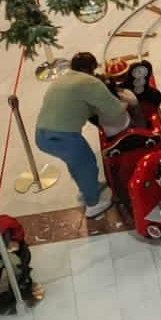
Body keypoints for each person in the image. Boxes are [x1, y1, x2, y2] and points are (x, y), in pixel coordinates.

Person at [34, 51, 133, 216]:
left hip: (43, 135)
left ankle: (87, 189)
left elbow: (80, 106)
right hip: (62, 136)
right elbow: (114, 110)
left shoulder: (63, 78)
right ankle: (93, 203)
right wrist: (126, 102)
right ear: (90, 69)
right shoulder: (89, 82)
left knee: (77, 163)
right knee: (86, 164)